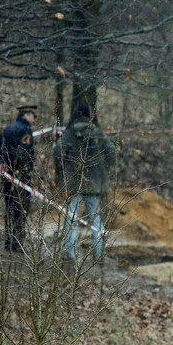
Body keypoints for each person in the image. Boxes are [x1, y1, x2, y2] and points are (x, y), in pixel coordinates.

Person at [53, 105, 117, 262]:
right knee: (95, 218)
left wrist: (63, 169)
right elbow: (112, 152)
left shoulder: (70, 133)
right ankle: (99, 253)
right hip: (94, 182)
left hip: (74, 181)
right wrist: (103, 169)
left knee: (71, 219)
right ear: (89, 116)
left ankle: (70, 254)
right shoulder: (97, 132)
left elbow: (57, 151)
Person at [0, 104, 38, 251]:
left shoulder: (7, 129)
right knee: (21, 208)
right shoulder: (25, 130)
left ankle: (9, 241)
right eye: (33, 115)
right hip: (20, 174)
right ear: (26, 115)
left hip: (7, 175)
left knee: (10, 208)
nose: (34, 119)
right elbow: (23, 153)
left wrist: (1, 162)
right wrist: (22, 167)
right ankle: (18, 243)